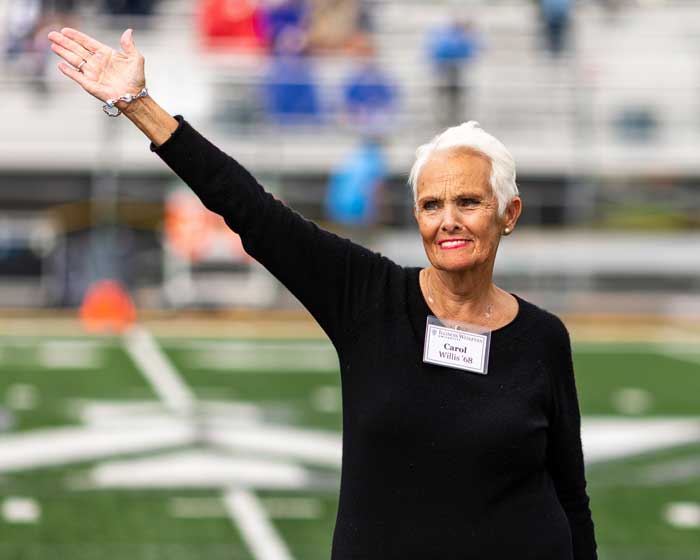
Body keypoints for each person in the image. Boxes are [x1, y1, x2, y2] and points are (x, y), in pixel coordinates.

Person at [47, 26, 598, 559]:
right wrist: (139, 105)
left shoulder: (544, 338)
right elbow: (251, 209)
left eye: (469, 203)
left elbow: (571, 496)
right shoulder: (369, 298)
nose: (448, 221)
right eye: (432, 206)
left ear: (509, 214)